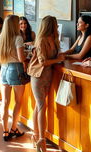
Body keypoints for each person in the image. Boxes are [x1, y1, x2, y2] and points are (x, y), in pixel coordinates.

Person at [28, 16, 65, 152]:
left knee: (39, 106)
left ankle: (35, 135)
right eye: (55, 24)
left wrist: (60, 57)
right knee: (42, 106)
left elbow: (56, 56)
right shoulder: (41, 40)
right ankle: (42, 140)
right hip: (38, 76)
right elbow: (43, 61)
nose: (57, 26)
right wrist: (58, 59)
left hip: (48, 75)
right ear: (50, 26)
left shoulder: (54, 39)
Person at [0, 15, 26, 142]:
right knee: (18, 101)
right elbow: (21, 58)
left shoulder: (0, 38)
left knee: (5, 102)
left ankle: (5, 131)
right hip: (16, 70)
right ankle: (14, 128)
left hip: (4, 69)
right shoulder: (18, 38)